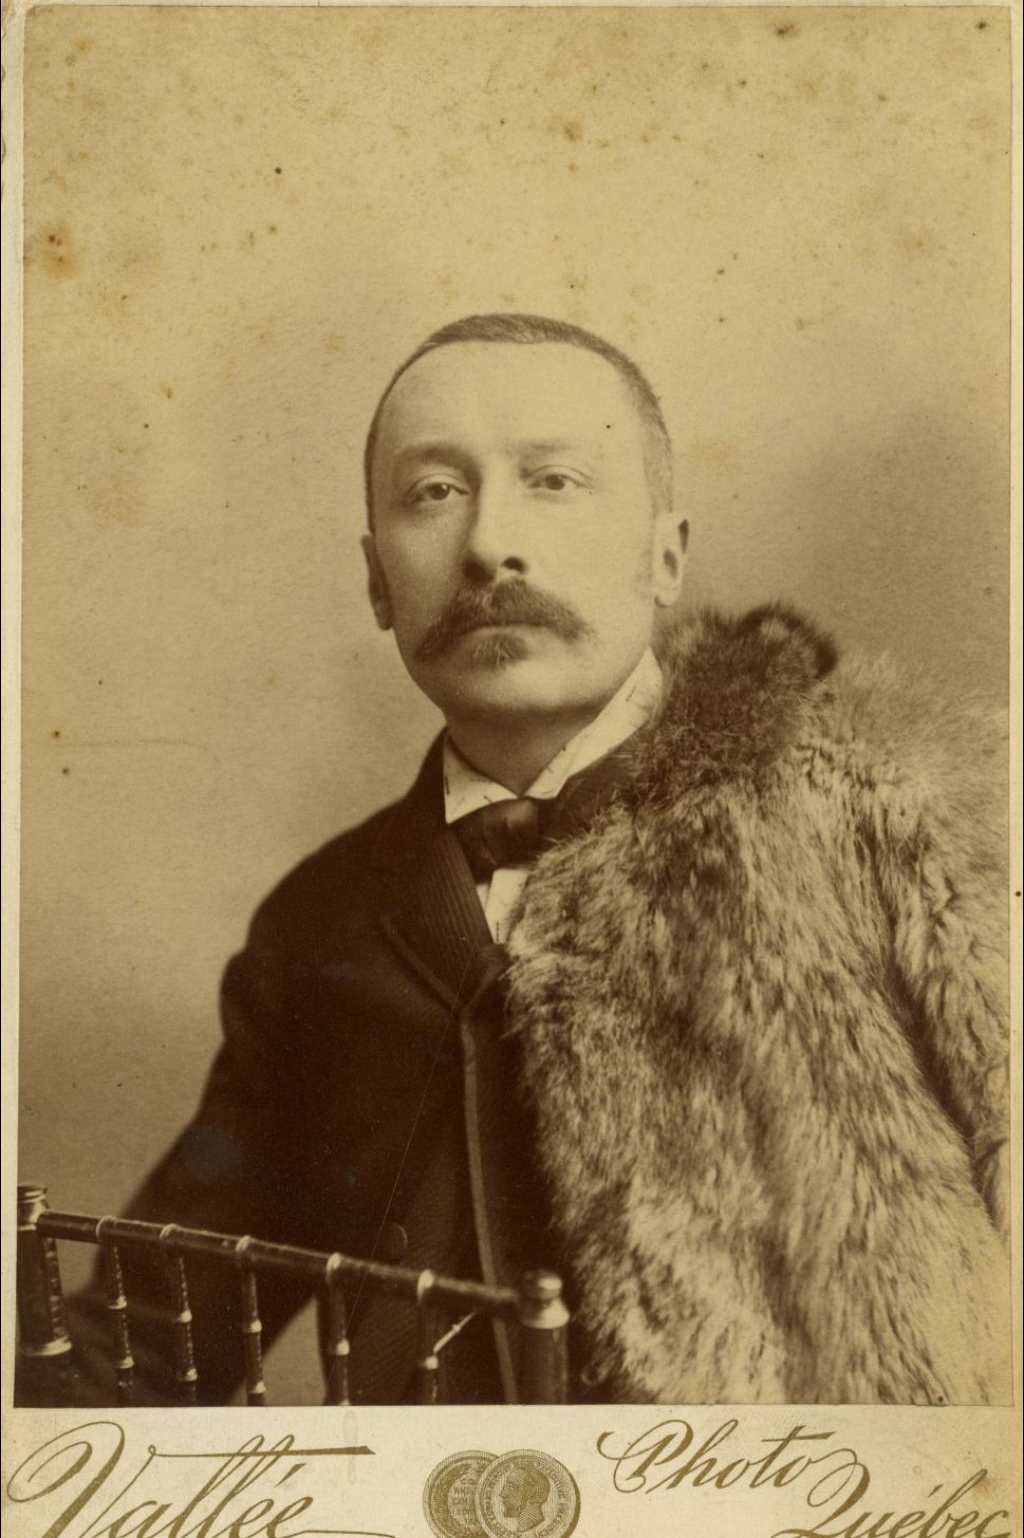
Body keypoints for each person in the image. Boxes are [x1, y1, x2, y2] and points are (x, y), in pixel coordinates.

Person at [21, 313, 1010, 1407]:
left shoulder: (900, 805)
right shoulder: (318, 926)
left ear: (666, 553)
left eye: (554, 481)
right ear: (377, 580)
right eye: (434, 492)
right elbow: (145, 1334)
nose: (490, 544)